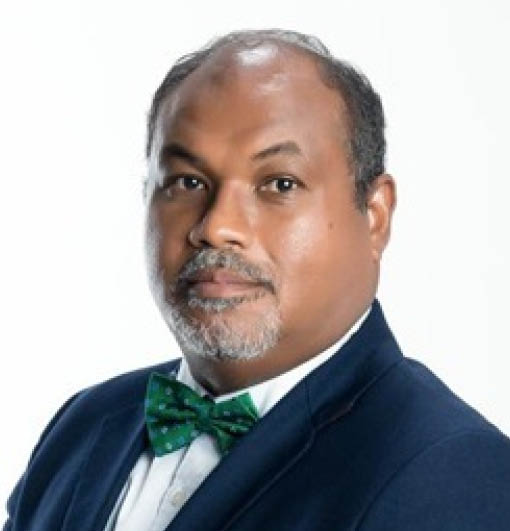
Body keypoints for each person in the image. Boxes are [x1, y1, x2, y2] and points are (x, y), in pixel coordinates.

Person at [4, 29, 510, 531]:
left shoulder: (451, 473)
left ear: (375, 216)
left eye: (279, 184)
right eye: (187, 182)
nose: (217, 226)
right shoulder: (85, 426)